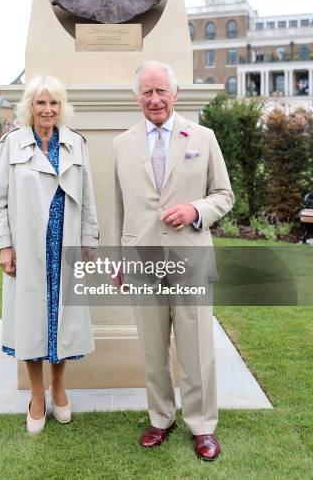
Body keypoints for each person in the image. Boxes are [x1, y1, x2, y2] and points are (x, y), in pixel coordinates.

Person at [113, 61, 234, 460]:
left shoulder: (203, 136)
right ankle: (160, 418)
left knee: (196, 345)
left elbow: (223, 194)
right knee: (151, 347)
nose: (155, 99)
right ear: (137, 98)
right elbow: (121, 208)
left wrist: (195, 210)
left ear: (175, 93)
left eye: (161, 90)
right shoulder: (122, 144)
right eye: (147, 92)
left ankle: (202, 425)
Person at [0, 75, 98, 435]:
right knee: (30, 324)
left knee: (62, 323)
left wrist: (88, 243)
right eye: (40, 103)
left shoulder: (76, 144)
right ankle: (37, 396)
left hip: (64, 246)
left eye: (53, 103)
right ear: (29, 107)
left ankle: (60, 389)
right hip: (28, 251)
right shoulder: (13, 144)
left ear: (61, 107)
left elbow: (88, 201)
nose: (47, 109)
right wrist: (4, 246)